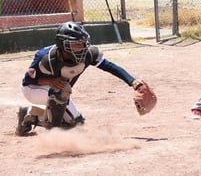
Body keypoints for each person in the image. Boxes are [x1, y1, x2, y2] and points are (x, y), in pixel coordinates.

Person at [15, 21, 143, 136]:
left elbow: (109, 66)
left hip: (58, 92)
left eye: (82, 44)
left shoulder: (88, 54)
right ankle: (54, 135)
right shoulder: (45, 57)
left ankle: (30, 115)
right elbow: (28, 81)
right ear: (62, 45)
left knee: (75, 124)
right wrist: (50, 81)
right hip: (33, 89)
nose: (81, 48)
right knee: (61, 92)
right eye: (76, 45)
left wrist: (132, 81)